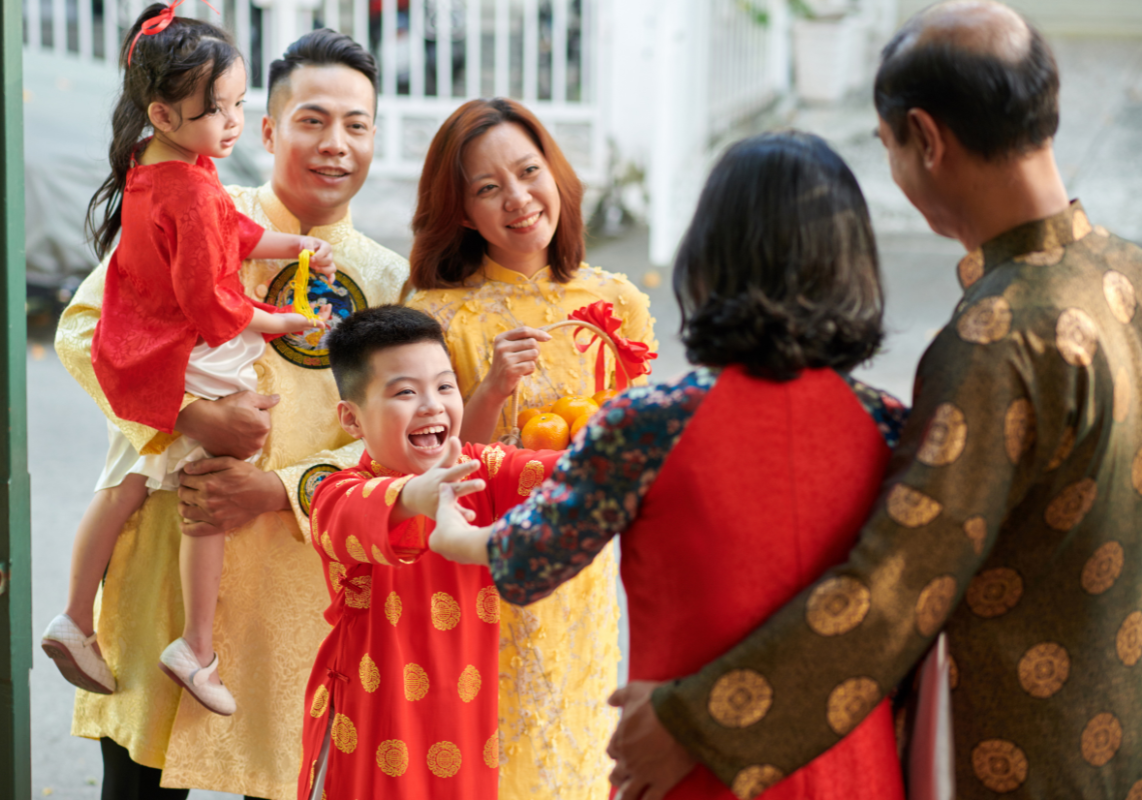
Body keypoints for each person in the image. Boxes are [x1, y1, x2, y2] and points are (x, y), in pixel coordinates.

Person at [606, 2, 1142, 799]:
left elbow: (895, 589)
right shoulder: (1126, 272)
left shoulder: (999, 339)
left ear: (927, 139)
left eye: (889, 149)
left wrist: (696, 724)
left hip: (1022, 750)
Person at [429, 132, 910, 800]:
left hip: (691, 772)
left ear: (709, 257)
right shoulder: (895, 427)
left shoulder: (650, 423)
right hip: (854, 772)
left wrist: (448, 524)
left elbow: (527, 560)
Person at [54, 25, 407, 800]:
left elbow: (400, 444)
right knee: (139, 784)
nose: (335, 144)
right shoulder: (196, 202)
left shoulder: (387, 278)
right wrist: (184, 414)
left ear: (377, 136)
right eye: (312, 120)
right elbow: (81, 333)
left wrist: (282, 487)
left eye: (358, 125)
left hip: (299, 596)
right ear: (269, 126)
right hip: (162, 579)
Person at [41, 3, 333, 717]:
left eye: (238, 105)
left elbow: (229, 231)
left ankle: (74, 616)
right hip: (192, 357)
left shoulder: (156, 165)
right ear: (164, 112)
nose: (233, 123)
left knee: (126, 482)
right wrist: (279, 320)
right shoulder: (198, 188)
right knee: (212, 495)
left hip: (138, 350)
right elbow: (213, 304)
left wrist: (291, 246)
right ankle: (195, 648)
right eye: (219, 110)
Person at [404, 97, 657, 797]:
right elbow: (428, 471)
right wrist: (489, 391)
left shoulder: (615, 306)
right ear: (460, 210)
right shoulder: (438, 316)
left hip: (582, 580)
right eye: (488, 188)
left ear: (556, 173)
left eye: (527, 171)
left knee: (574, 748)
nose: (517, 199)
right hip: (479, 576)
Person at [298, 305, 564, 799]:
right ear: (351, 419)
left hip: (465, 723)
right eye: (405, 392)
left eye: (444, 387)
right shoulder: (335, 492)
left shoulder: (479, 467)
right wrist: (419, 495)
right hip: (372, 717)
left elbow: (559, 472)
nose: (432, 406)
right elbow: (351, 519)